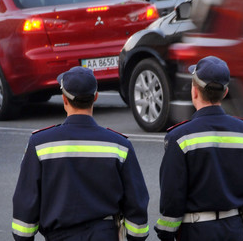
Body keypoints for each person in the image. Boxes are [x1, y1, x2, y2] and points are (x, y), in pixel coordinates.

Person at [12, 66, 149, 241]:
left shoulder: (40, 144)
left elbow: (25, 204)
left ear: (64, 99)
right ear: (96, 97)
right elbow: (136, 203)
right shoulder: (120, 145)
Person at [154, 56, 243, 241]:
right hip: (234, 229)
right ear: (225, 92)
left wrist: (167, 235)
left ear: (194, 91)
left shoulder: (179, 137)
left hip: (194, 232)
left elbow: (172, 197)